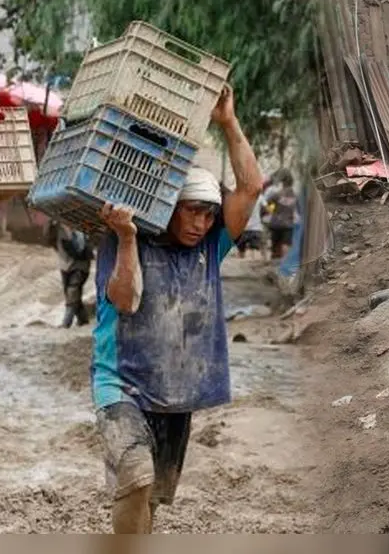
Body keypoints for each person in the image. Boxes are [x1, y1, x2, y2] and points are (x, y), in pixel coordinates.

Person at [91, 84, 262, 534]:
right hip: (121, 385)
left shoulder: (209, 247)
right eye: (191, 213)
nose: (200, 224)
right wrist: (127, 237)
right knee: (135, 477)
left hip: (175, 393)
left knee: (153, 500)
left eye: (208, 215)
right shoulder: (121, 238)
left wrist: (228, 122)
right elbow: (125, 300)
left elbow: (251, 187)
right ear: (167, 208)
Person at [48, 221, 93, 328]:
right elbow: (50, 240)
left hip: (79, 267)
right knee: (72, 296)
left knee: (72, 293)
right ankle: (83, 320)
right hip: (65, 267)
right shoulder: (56, 228)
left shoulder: (82, 230)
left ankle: (66, 323)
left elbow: (81, 250)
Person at [264, 168, 299, 259]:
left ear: (282, 182)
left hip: (275, 223)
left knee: (275, 248)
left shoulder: (276, 194)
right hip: (288, 224)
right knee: (286, 245)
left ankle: (274, 265)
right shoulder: (295, 195)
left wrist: (271, 211)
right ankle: (284, 264)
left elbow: (266, 205)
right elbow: (298, 210)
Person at [236, 189, 266, 259]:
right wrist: (261, 215)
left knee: (241, 253)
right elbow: (267, 210)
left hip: (242, 229)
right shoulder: (260, 197)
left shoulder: (240, 197)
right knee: (255, 252)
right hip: (256, 228)